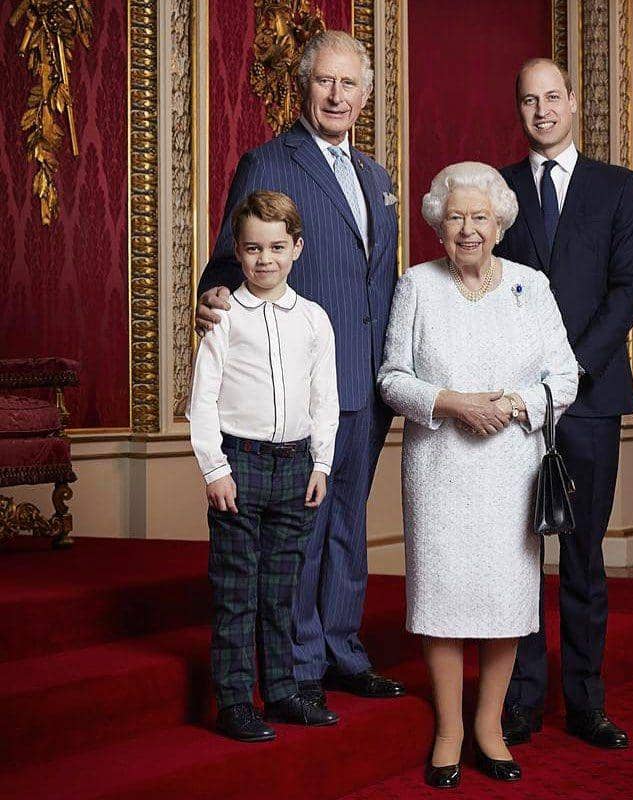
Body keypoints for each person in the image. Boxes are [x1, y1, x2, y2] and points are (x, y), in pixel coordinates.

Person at [195, 30, 404, 706]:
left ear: (364, 96)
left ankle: (343, 649)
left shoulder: (376, 176)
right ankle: (297, 666)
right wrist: (213, 295)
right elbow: (227, 259)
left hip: (368, 380)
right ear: (304, 86)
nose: (337, 95)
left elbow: (378, 279)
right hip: (299, 382)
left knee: (348, 524)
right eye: (324, 81)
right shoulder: (269, 162)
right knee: (302, 534)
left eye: (349, 84)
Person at [378, 162, 579, 788]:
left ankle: (489, 727)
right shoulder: (417, 284)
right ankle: (449, 730)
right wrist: (452, 403)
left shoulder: (530, 286)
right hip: (438, 468)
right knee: (440, 599)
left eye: (480, 218)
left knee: (503, 601)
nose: (468, 229)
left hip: (510, 469)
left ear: (500, 224)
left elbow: (565, 377)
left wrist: (514, 405)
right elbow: (392, 379)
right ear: (438, 224)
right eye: (456, 217)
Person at [496, 58, 633, 750]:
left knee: (583, 557)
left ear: (574, 102)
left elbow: (626, 290)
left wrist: (571, 370)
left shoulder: (618, 188)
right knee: (520, 556)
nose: (542, 111)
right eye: (530, 101)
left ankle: (586, 702)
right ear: (520, 109)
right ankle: (521, 700)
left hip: (589, 398)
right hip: (517, 403)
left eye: (552, 97)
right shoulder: (497, 190)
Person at [188, 191, 340, 739]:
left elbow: (324, 398)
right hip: (240, 464)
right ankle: (234, 701)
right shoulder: (225, 317)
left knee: (281, 591)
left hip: (296, 466)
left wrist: (321, 463)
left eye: (277, 247)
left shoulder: (315, 319)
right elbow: (203, 399)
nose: (265, 259)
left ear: (296, 248)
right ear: (238, 250)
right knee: (236, 590)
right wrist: (214, 469)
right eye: (253, 248)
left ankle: (281, 692)